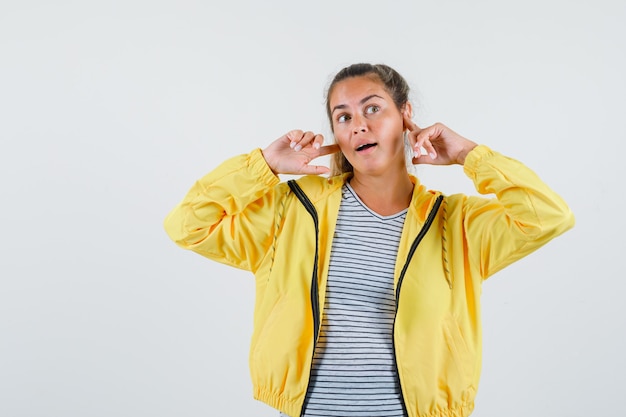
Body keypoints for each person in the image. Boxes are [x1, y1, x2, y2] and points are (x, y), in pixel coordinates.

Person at [163, 63, 574, 417]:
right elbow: (187, 225)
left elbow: (549, 216)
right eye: (343, 117)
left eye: (373, 108)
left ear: (406, 116)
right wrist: (263, 166)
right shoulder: (291, 210)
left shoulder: (457, 223)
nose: (358, 124)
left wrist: (469, 154)